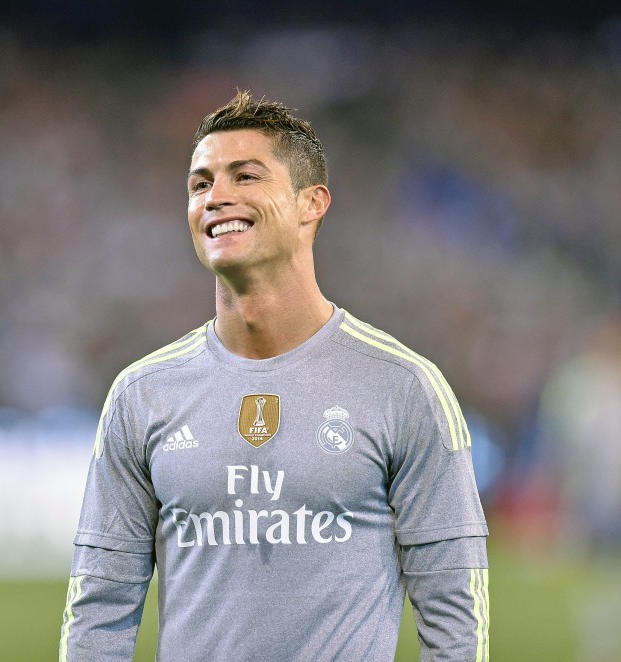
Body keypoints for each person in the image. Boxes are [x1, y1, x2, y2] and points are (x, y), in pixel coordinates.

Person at [59, 90, 489, 661]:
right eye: (200, 184)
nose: (216, 197)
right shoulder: (142, 395)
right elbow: (99, 608)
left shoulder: (404, 387)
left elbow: (454, 615)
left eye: (245, 176)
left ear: (312, 203)